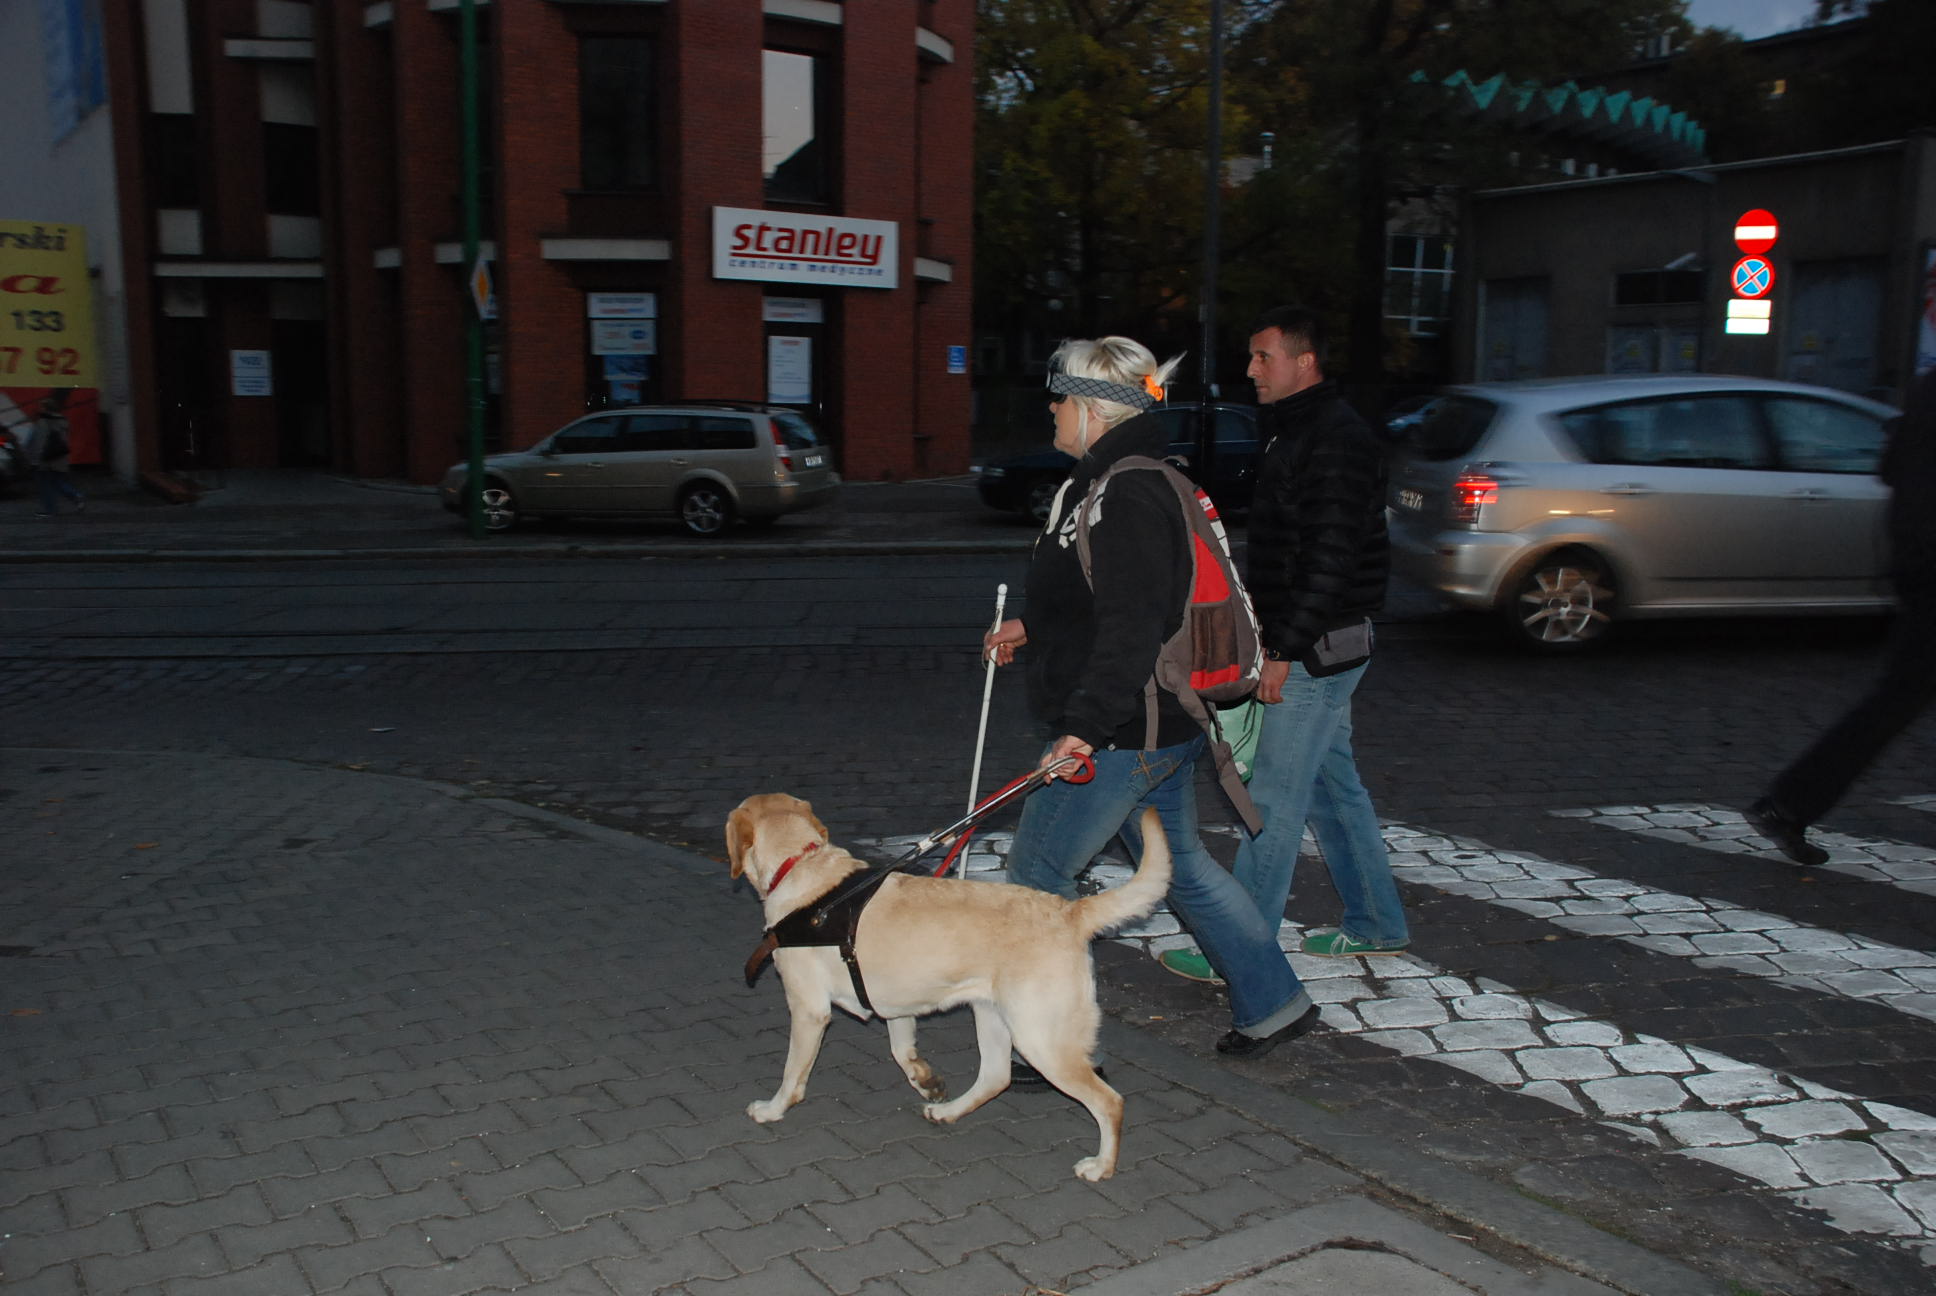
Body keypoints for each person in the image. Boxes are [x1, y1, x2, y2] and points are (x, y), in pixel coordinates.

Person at [984, 336, 1320, 1061]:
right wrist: (1033, 624)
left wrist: (1081, 729)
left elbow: (1135, 626)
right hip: (1154, 728)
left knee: (1039, 877)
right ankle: (1275, 1002)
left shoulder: (1128, 490)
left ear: (1095, 410)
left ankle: (1058, 1049)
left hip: (1123, 732)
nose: (1051, 408)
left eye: (1061, 398)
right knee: (1184, 867)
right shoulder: (1107, 481)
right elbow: (1100, 597)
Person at [1162, 306, 1409, 981]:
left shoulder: (1334, 438)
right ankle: (1377, 922)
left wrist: (1283, 651)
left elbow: (1330, 555)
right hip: (1313, 640)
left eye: (1262, 357)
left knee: (1269, 797)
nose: (1250, 370)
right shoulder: (1302, 432)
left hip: (1317, 648)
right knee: (1334, 789)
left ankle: (1239, 951)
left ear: (1305, 362)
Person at [1747, 365, 1936, 865]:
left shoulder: (1925, 392)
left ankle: (1790, 802)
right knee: (1896, 700)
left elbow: (1896, 471)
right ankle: (1789, 801)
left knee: (1897, 699)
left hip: (1919, 566)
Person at [28, 388, 85, 519]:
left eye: (41, 406)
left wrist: (35, 461)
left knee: (46, 485)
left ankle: (50, 510)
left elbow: (40, 443)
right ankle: (76, 496)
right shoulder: (63, 420)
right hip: (60, 457)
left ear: (45, 408)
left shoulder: (43, 422)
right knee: (57, 481)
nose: (39, 408)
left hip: (46, 458)